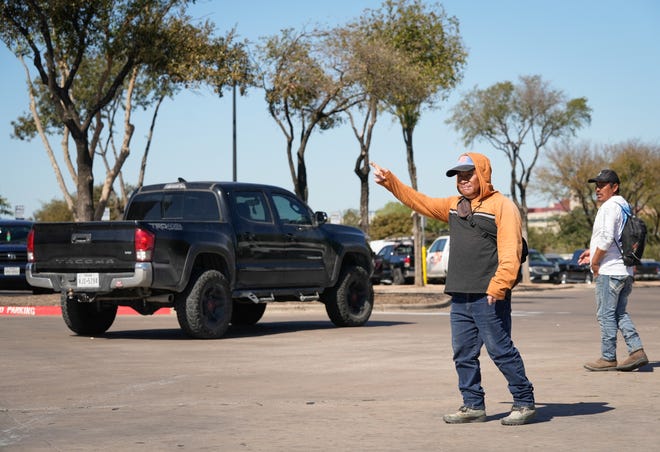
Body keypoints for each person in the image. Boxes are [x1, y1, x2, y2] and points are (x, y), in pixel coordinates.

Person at [371, 152, 536, 426]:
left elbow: (511, 250)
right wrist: (391, 182)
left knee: (500, 350)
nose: (463, 180)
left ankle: (524, 401)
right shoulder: (453, 205)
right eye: (459, 175)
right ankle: (473, 405)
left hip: (489, 296)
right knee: (463, 353)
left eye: (468, 173)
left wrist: (499, 285)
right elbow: (419, 201)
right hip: (460, 295)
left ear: (482, 173)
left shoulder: (502, 206)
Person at [578, 169, 649, 372]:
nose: (598, 189)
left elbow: (608, 237)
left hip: (609, 270)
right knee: (619, 312)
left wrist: (595, 262)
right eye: (596, 185)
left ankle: (608, 357)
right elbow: (617, 238)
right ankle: (637, 351)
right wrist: (592, 251)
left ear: (614, 187)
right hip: (625, 270)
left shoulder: (609, 207)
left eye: (603, 185)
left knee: (605, 314)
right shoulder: (624, 206)